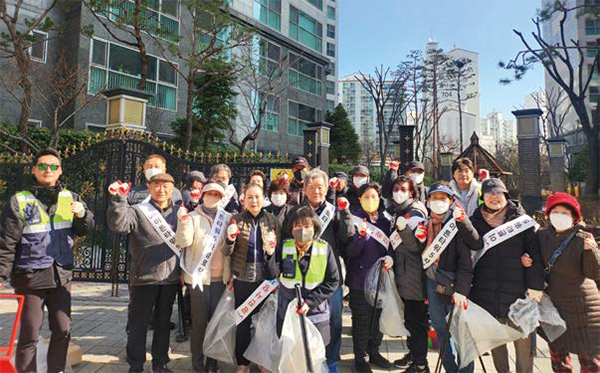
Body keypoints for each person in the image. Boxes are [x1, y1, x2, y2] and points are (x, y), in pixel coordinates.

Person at [0, 148, 94, 373]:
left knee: (63, 328)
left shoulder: (70, 198)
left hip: (61, 275)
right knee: (30, 332)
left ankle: (56, 370)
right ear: (34, 169)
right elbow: (6, 242)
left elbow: (85, 229)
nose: (48, 170)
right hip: (30, 276)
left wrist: (82, 214)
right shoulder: (19, 201)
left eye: (53, 166)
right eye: (42, 166)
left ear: (60, 171)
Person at [466, 178, 544, 373]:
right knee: (496, 344)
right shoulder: (474, 222)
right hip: (486, 294)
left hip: (519, 295)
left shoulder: (521, 221)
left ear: (506, 196)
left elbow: (534, 254)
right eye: (489, 193)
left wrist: (535, 287)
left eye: (498, 193)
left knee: (524, 344)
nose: (494, 197)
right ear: (482, 197)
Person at [107, 173, 182, 373]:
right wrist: (119, 200)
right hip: (143, 278)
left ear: (173, 189)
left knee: (163, 324)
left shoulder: (180, 213)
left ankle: (160, 363)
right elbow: (118, 225)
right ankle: (136, 365)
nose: (161, 189)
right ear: (149, 188)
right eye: (156, 185)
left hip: (170, 279)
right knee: (138, 325)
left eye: (166, 185)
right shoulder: (138, 211)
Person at [282, 169, 355, 373]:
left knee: (335, 320)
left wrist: (346, 214)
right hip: (301, 277)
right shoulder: (294, 212)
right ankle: (302, 359)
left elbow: (346, 237)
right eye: (311, 187)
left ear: (326, 189)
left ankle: (331, 359)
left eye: (320, 187)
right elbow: (285, 240)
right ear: (304, 189)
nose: (316, 191)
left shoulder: (334, 210)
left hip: (329, 275)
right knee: (303, 319)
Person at [537, 193, 600, 372]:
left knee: (591, 360)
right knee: (559, 360)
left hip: (583, 306)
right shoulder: (541, 236)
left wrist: (592, 252)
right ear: (548, 214)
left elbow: (594, 273)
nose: (560, 216)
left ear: (574, 216)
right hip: (554, 306)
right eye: (555, 211)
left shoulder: (583, 237)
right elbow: (536, 264)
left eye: (565, 213)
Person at [221, 183, 279, 373]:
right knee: (243, 323)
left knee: (265, 323)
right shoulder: (236, 220)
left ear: (264, 199)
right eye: (250, 197)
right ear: (244, 200)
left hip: (266, 280)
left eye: (258, 197)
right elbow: (225, 251)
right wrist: (230, 239)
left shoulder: (272, 220)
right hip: (242, 280)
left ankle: (263, 361)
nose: (254, 201)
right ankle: (243, 363)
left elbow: (278, 252)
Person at [420, 183, 477, 373]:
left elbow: (466, 262)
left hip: (454, 286)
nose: (438, 203)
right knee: (440, 329)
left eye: (443, 199)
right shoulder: (424, 225)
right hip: (432, 283)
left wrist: (463, 290)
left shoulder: (456, 224)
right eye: (434, 198)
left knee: (461, 332)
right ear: (427, 201)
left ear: (451, 201)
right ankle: (450, 369)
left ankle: (466, 370)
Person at [175, 182, 232, 373]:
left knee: (216, 324)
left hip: (220, 279)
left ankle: (213, 363)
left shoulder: (228, 218)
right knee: (199, 324)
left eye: (217, 194)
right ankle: (198, 363)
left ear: (222, 197)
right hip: (198, 279)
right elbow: (183, 242)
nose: (212, 196)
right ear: (203, 195)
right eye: (210, 193)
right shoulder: (191, 217)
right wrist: (182, 222)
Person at [265, 206, 340, 345]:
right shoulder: (284, 246)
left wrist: (310, 302)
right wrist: (269, 255)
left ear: (315, 228)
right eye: (298, 226)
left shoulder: (324, 248)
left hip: (315, 312)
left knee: (314, 355)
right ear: (291, 229)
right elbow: (272, 274)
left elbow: (333, 281)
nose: (302, 230)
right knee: (289, 353)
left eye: (307, 226)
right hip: (288, 310)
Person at [345, 182, 394, 373]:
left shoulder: (385, 220)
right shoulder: (354, 219)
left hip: (381, 279)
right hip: (359, 280)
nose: (370, 200)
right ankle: (360, 357)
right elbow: (350, 251)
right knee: (362, 321)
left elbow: (392, 244)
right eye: (366, 197)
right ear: (359, 199)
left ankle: (374, 351)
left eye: (374, 196)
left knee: (377, 320)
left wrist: (391, 255)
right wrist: (362, 237)